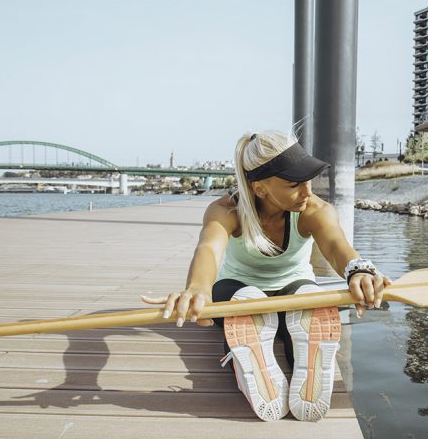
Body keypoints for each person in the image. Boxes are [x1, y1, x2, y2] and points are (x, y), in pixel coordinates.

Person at [142, 130, 389, 422]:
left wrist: (357, 270)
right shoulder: (226, 211)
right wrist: (197, 288)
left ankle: (291, 363)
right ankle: (256, 357)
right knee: (243, 304)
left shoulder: (314, 210)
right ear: (260, 189)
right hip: (238, 292)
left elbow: (337, 247)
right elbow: (208, 249)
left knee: (301, 303)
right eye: (294, 184)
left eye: (308, 180)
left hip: (294, 290)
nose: (307, 192)